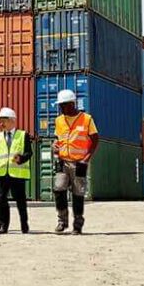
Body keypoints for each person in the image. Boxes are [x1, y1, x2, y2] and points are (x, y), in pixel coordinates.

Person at [52, 90, 100, 235]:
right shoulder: (59, 120)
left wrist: (87, 158)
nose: (61, 108)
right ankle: (62, 221)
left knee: (78, 194)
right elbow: (57, 138)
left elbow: (95, 140)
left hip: (80, 163)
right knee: (59, 189)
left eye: (63, 105)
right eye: (60, 106)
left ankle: (77, 224)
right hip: (62, 161)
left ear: (72, 104)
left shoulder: (86, 119)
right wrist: (54, 145)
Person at [0, 107, 33, 235]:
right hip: (2, 173)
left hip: (17, 173)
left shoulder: (23, 135)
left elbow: (29, 153)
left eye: (3, 121)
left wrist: (21, 158)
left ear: (12, 121)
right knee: (2, 200)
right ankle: (3, 226)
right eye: (0, 121)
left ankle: (24, 224)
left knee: (20, 201)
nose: (1, 124)